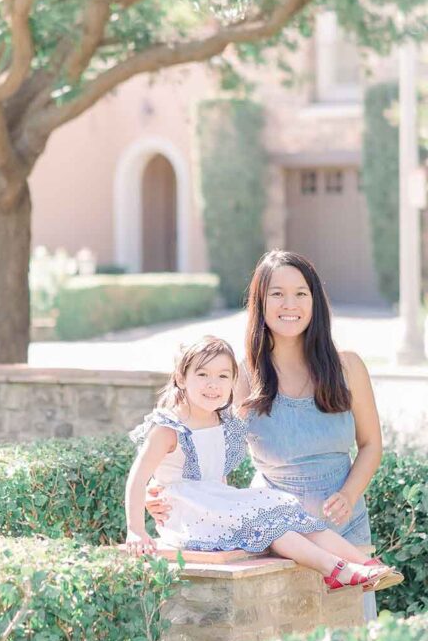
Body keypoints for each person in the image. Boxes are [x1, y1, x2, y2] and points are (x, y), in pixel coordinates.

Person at [145, 251, 403, 612]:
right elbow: (197, 443)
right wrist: (161, 491)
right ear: (260, 303)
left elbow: (371, 444)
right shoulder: (241, 375)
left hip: (345, 529)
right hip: (278, 537)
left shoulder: (348, 366)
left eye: (301, 293)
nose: (289, 304)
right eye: (277, 294)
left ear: (315, 300)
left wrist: (348, 493)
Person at [126, 335, 393, 591]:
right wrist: (136, 530)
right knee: (268, 525)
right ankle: (337, 570)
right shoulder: (169, 428)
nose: (212, 384)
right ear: (181, 378)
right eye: (202, 374)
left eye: (223, 376)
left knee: (290, 515)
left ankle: (366, 564)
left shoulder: (223, 423)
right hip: (186, 515)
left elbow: (216, 480)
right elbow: (139, 478)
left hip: (212, 507)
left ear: (233, 381)